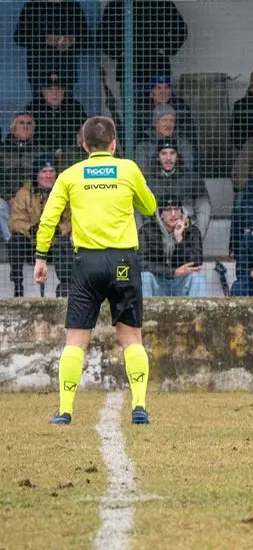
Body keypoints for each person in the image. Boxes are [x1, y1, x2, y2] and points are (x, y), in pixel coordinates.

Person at [34, 116, 157, 426]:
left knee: (75, 340)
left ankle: (64, 411)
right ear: (113, 144)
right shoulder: (128, 169)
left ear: (84, 145)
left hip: (87, 264)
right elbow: (150, 207)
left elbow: (49, 218)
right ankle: (139, 407)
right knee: (131, 338)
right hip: (123, 263)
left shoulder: (71, 175)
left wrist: (40, 257)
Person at [98, 0, 188, 101]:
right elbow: (103, 35)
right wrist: (118, 52)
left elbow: (180, 29)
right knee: (132, 115)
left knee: (160, 111)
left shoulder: (162, 3)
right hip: (129, 71)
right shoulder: (115, 6)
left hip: (158, 69)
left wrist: (167, 49)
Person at [14, 0, 88, 91]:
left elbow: (86, 38)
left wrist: (72, 40)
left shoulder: (73, 7)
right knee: (39, 107)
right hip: (39, 71)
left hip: (66, 70)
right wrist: (44, 39)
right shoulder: (32, 7)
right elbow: (19, 37)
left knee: (67, 107)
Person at [8, 157, 73, 298]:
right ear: (36, 175)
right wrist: (30, 229)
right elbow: (14, 221)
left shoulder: (65, 192)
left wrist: (59, 229)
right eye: (44, 171)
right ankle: (17, 285)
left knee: (65, 243)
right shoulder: (24, 193)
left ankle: (65, 286)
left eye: (51, 171)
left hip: (56, 242)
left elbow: (72, 219)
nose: (48, 175)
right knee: (15, 241)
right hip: (32, 243)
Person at [138, 198, 206, 297]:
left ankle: (200, 312)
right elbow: (141, 263)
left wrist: (180, 240)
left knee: (197, 279)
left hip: (181, 282)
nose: (173, 214)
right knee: (145, 278)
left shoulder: (193, 231)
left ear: (182, 213)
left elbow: (197, 262)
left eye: (176, 209)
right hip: (158, 282)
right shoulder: (146, 231)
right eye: (168, 210)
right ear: (161, 214)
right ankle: (143, 313)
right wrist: (173, 272)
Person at [143, 142, 210, 236]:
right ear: (157, 157)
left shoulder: (192, 178)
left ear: (177, 156)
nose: (168, 158)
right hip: (155, 236)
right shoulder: (146, 180)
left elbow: (204, 209)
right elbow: (138, 211)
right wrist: (142, 237)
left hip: (186, 232)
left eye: (172, 153)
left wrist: (197, 236)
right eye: (164, 154)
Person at [25, 71, 86, 151]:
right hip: (39, 154)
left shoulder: (75, 108)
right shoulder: (32, 108)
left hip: (70, 154)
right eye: (49, 89)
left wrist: (65, 150)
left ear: (64, 91)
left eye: (58, 89)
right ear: (43, 91)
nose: (54, 93)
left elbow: (83, 135)